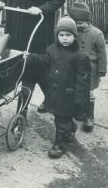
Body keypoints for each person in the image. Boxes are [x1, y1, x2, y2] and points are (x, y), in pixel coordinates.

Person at [3, 0, 65, 110]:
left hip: (36, 34)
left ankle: (22, 115)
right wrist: (1, 1)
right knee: (34, 73)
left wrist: (41, 8)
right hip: (15, 31)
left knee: (31, 73)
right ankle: (56, 106)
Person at [23, 15, 91, 158]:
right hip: (53, 93)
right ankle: (70, 128)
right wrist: (30, 57)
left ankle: (58, 145)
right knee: (59, 117)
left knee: (61, 120)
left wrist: (80, 103)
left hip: (69, 96)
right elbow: (44, 61)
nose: (64, 38)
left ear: (74, 36)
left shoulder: (80, 57)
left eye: (68, 35)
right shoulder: (51, 49)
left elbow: (83, 82)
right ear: (57, 36)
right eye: (61, 35)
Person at [69, 0, 107, 132]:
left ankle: (89, 116)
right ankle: (78, 112)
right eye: (76, 23)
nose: (78, 26)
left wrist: (102, 69)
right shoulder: (73, 32)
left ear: (87, 21)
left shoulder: (97, 34)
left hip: (91, 69)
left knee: (89, 93)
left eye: (80, 23)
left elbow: (102, 53)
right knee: (75, 89)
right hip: (76, 68)